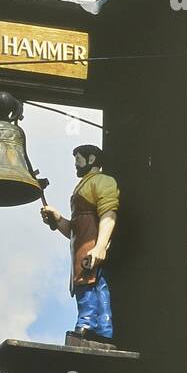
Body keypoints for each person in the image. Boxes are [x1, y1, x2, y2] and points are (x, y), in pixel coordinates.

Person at [41, 144, 120, 346]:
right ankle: (102, 331)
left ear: (91, 159)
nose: (76, 164)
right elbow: (73, 230)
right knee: (95, 287)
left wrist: (101, 245)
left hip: (91, 245)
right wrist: (58, 219)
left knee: (89, 286)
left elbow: (108, 213)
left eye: (79, 159)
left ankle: (86, 327)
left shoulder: (102, 181)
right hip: (81, 246)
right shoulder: (84, 185)